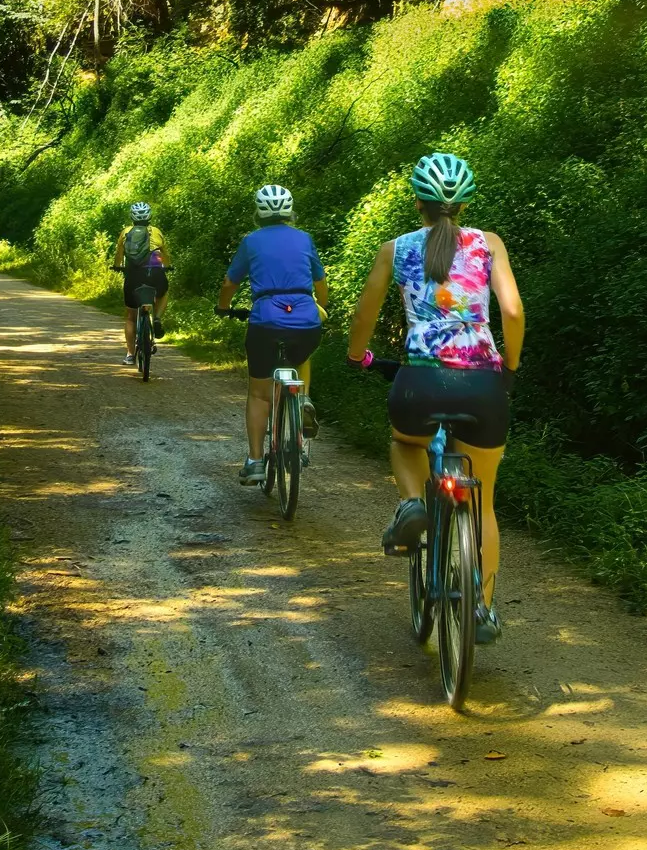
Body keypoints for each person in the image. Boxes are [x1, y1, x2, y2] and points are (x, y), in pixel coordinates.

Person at [344, 152, 523, 645]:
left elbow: (363, 317)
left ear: (417, 202)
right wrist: (509, 368)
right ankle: (481, 609)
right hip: (482, 383)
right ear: (464, 204)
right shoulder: (489, 244)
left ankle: (411, 505)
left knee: (407, 444)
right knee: (483, 500)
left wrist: (358, 357)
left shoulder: (394, 248)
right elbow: (511, 310)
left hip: (419, 380)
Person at [216, 184, 328, 484]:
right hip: (306, 320)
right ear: (290, 212)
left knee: (259, 393)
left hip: (265, 321)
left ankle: (254, 461)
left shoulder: (251, 241)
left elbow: (230, 282)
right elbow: (321, 282)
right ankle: (302, 399)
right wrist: (320, 307)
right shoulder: (304, 238)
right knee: (302, 353)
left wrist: (223, 308)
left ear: (259, 213)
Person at [111, 201, 170, 365]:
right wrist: (167, 266)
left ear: (132, 217)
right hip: (155, 274)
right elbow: (165, 253)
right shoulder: (156, 231)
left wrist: (117, 267)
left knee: (130, 316)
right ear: (149, 216)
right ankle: (157, 318)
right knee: (163, 293)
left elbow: (119, 254)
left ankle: (130, 355)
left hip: (133, 275)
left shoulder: (126, 232)